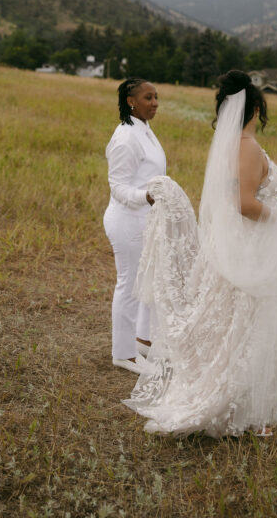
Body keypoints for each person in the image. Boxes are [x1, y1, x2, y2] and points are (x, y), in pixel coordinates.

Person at [124, 70, 277, 437]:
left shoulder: (232, 146)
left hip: (235, 242)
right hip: (249, 246)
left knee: (234, 325)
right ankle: (231, 407)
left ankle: (241, 404)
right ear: (255, 107)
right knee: (245, 325)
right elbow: (243, 204)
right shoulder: (247, 147)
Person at [103, 77, 167, 375]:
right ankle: (124, 354)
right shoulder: (126, 137)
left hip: (144, 219)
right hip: (127, 220)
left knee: (146, 280)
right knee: (129, 284)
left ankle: (142, 340)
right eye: (148, 98)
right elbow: (117, 186)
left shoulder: (144, 129)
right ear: (131, 101)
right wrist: (147, 196)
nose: (154, 103)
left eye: (156, 97)